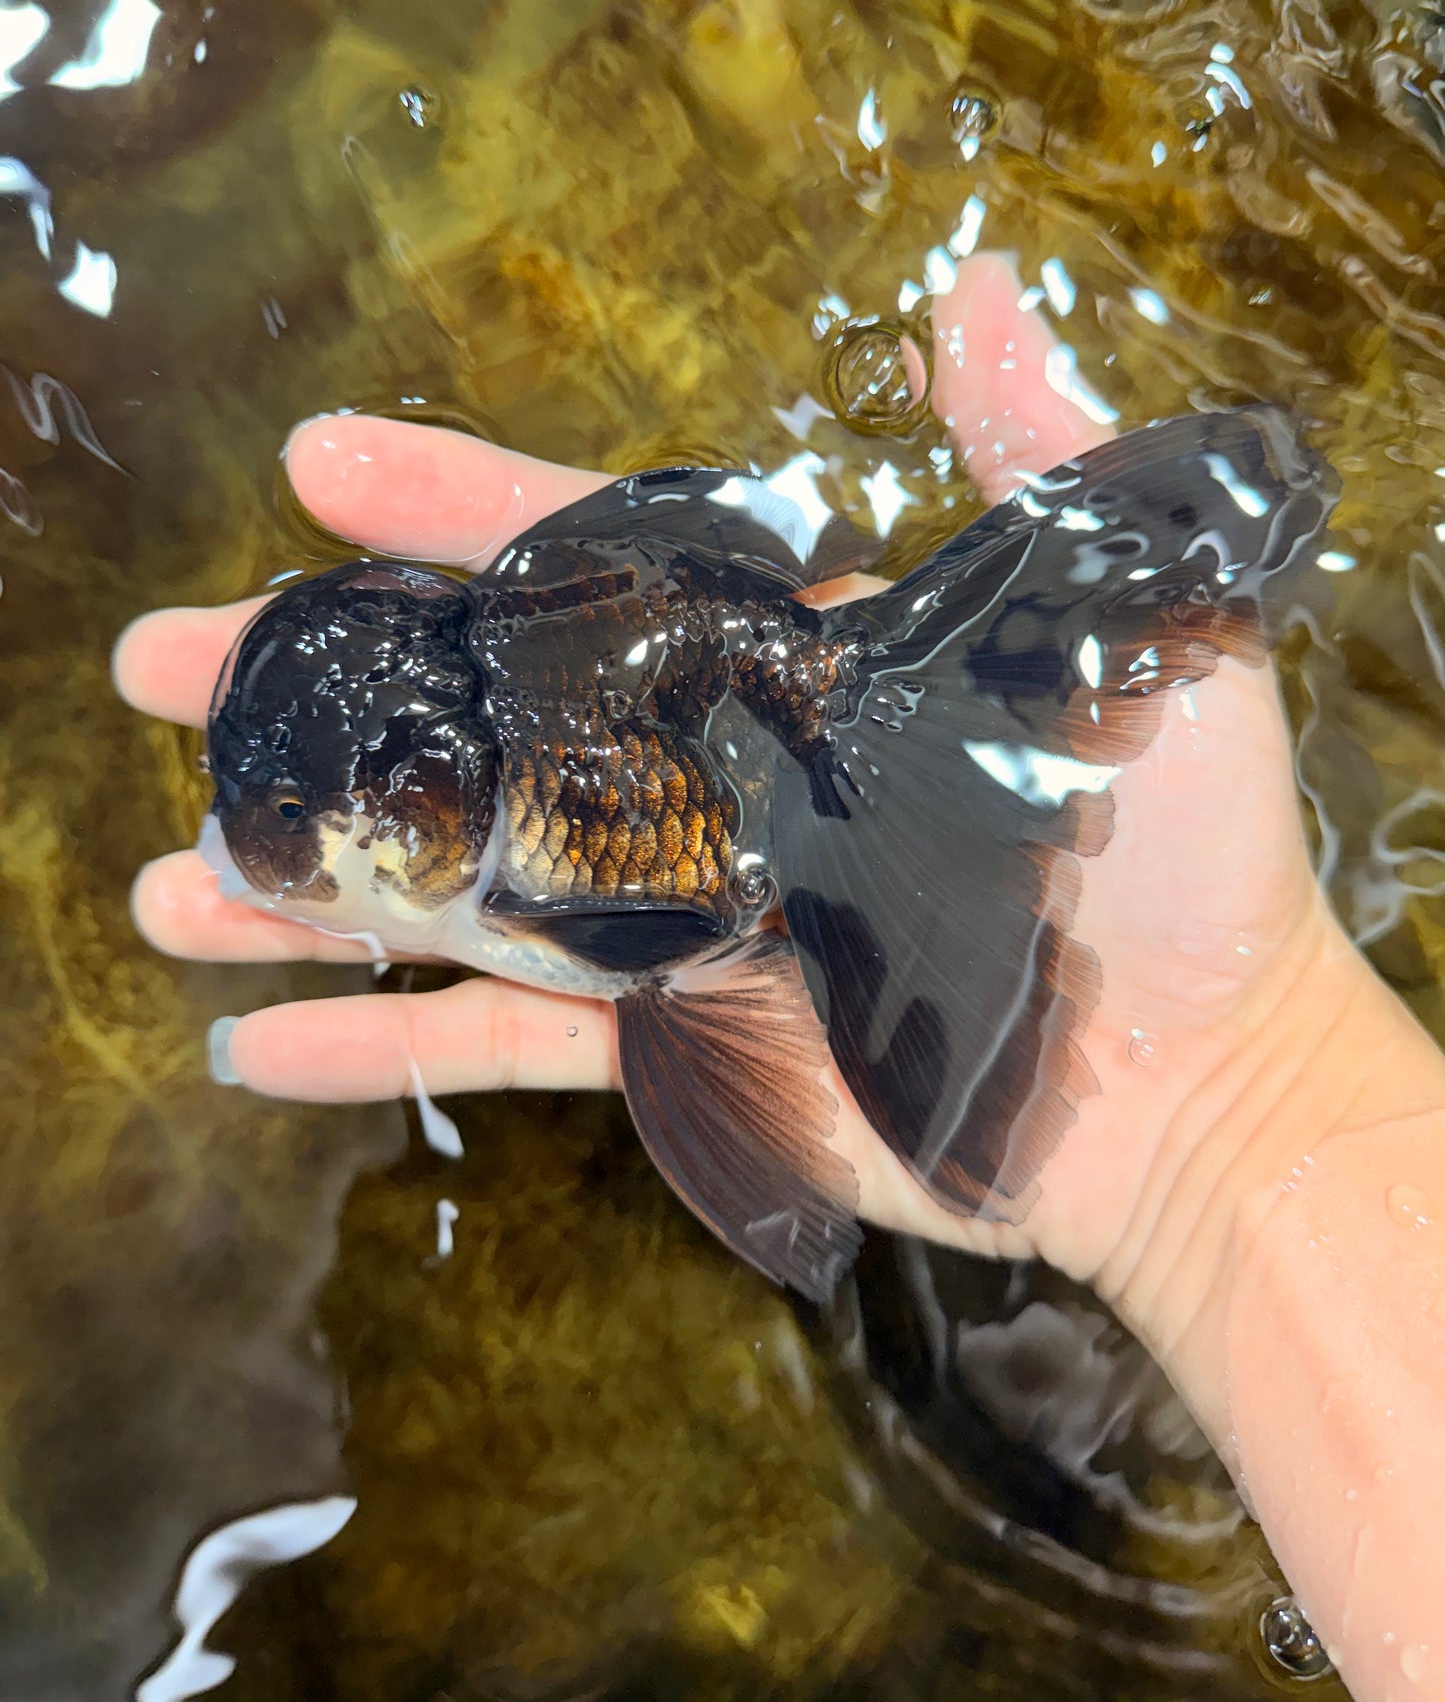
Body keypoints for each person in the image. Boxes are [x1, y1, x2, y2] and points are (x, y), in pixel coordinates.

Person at [113, 254, 1445, 1701]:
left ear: (414, 803)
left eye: (306, 828)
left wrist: (1240, 1117)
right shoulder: (515, 750)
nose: (282, 849)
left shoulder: (565, 806)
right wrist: (1248, 1122)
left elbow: (656, 968)